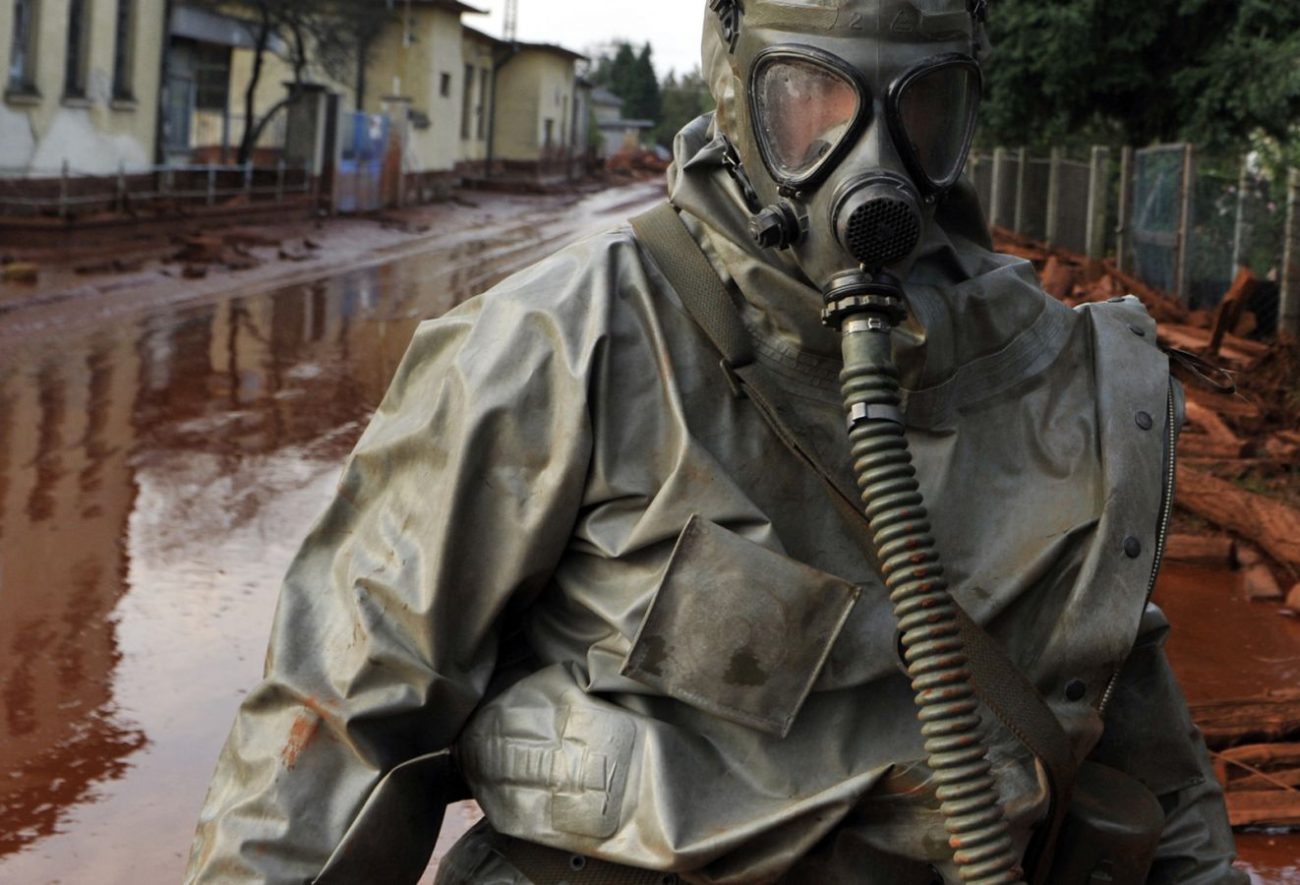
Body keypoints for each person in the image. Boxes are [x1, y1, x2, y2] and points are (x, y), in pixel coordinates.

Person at [185, 1, 1245, 883]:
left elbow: (1129, 730)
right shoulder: (569, 341)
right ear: (736, 93)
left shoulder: (1066, 377)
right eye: (813, 100)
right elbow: (346, 720)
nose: (866, 159)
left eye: (919, 106)